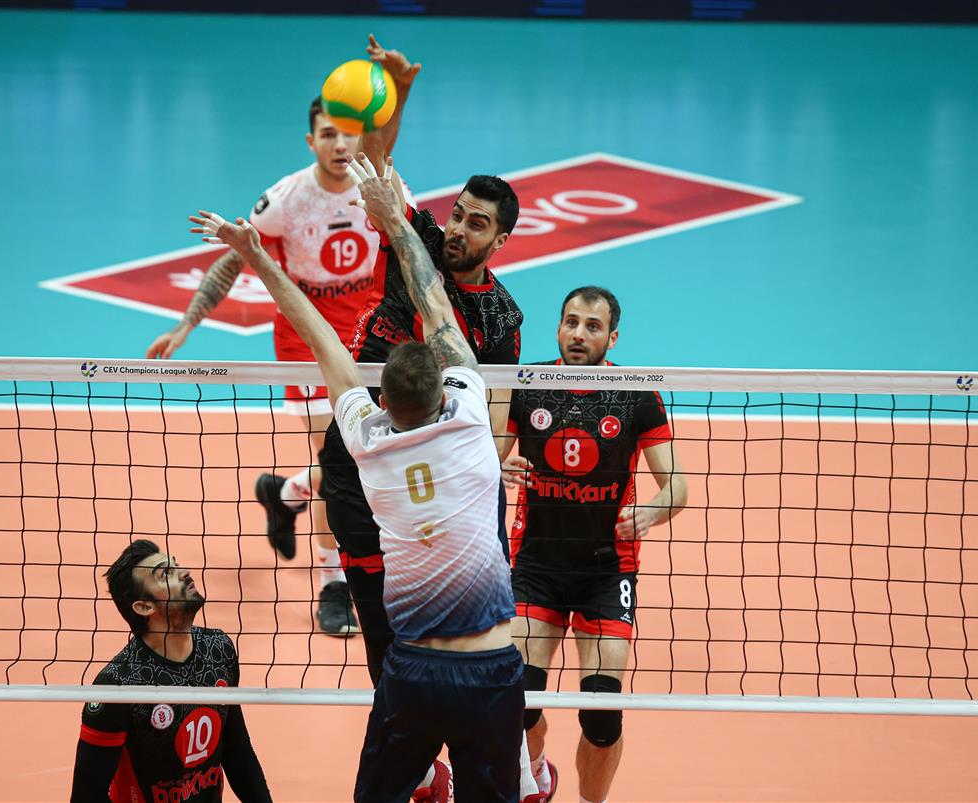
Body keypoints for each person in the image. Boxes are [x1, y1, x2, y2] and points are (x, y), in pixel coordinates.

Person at [192, 155, 525, 802]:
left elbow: (324, 340)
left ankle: (423, 759)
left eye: (476, 223)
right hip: (476, 647)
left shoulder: (369, 434)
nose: (458, 228)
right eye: (457, 215)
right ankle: (464, 771)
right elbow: (433, 299)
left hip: (397, 500)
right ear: (449, 384)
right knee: (382, 635)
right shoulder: (466, 419)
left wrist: (257, 256)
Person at [146, 35, 419, 638]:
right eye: (328, 134)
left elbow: (393, 169)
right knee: (344, 460)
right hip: (307, 345)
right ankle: (333, 584)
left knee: (371, 452)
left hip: (372, 338)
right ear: (310, 141)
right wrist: (188, 322)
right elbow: (234, 259)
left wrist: (401, 89)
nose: (341, 144)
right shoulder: (287, 201)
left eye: (350, 134)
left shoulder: (379, 185)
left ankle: (287, 492)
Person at [498, 287, 688, 803]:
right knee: (516, 704)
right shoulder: (527, 384)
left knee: (601, 716)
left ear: (612, 337)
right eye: (571, 322)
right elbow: (486, 457)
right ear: (559, 327)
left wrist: (650, 512)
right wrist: (497, 464)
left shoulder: (635, 393)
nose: (579, 334)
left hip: (608, 572)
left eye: (593, 326)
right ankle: (537, 768)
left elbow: (677, 487)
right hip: (536, 565)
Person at [70, 539, 271, 803]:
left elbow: (237, 751)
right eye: (165, 574)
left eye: (175, 565)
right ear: (144, 606)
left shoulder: (218, 649)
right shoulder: (118, 686)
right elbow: (86, 796)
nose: (183, 572)